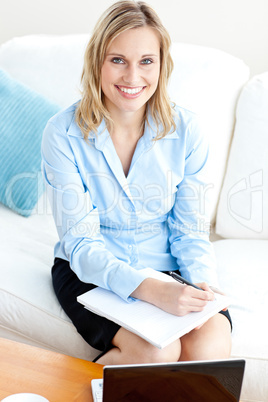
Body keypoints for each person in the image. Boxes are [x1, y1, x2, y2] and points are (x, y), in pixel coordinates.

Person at [41, 0, 232, 365]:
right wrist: (150, 290)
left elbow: (190, 230)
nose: (132, 77)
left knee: (209, 346)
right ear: (97, 61)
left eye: (146, 61)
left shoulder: (188, 131)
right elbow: (80, 242)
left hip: (168, 267)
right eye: (118, 60)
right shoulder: (62, 133)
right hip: (89, 270)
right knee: (157, 352)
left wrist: (203, 286)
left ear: (162, 66)